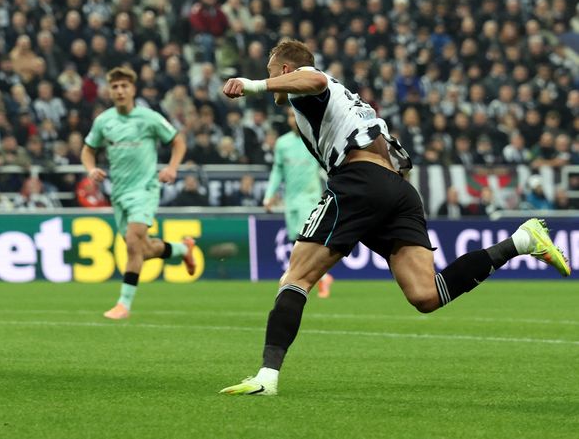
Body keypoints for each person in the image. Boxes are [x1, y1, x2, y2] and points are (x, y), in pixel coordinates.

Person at [218, 40, 570, 396]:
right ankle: (522, 241)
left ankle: (266, 378)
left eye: (270, 72)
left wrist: (253, 85)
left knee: (296, 278)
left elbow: (314, 80)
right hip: (397, 190)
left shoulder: (309, 85)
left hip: (359, 182)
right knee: (426, 295)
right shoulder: (345, 99)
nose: (269, 79)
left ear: (283, 71)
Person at [81, 66, 194, 320]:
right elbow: (88, 149)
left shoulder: (149, 118)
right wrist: (91, 169)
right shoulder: (103, 121)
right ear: (110, 91)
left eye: (124, 86)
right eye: (115, 87)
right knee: (141, 249)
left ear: (133, 89)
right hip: (119, 194)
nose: (120, 91)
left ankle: (123, 304)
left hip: (145, 190)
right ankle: (182, 249)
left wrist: (173, 168)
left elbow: (178, 141)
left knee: (133, 242)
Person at [264, 109, 332, 298]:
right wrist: (269, 195)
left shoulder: (313, 138)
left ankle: (313, 278)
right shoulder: (282, 143)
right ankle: (313, 277)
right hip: (290, 200)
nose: (291, 119)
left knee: (304, 240)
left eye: (294, 115)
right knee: (295, 238)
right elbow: (277, 171)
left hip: (309, 198)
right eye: (289, 115)